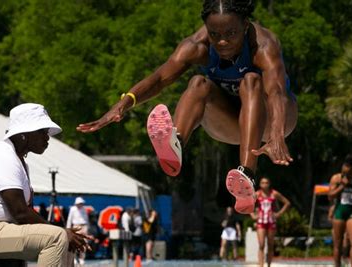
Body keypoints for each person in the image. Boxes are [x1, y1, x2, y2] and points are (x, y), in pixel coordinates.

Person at [77, 0, 298, 214]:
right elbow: (161, 78)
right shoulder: (196, 46)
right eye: (215, 35)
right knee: (197, 83)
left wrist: (277, 134)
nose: (222, 42)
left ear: (245, 25)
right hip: (231, 122)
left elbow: (276, 92)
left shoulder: (263, 45)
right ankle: (176, 144)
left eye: (231, 34)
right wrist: (124, 103)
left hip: (274, 121)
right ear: (207, 30)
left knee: (251, 80)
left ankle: (247, 175)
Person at [0, 103, 91, 266]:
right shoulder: (3, 156)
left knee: (67, 243)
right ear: (23, 134)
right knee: (57, 238)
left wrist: (67, 235)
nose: (47, 137)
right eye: (42, 131)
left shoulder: (18, 160)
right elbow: (20, 213)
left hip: (2, 229)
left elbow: (24, 213)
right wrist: (63, 232)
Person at [328, 156, 352, 267]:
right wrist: (342, 186)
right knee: (338, 244)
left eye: (349, 168)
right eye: (345, 166)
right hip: (339, 212)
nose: (346, 170)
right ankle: (337, 265)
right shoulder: (336, 178)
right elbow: (330, 196)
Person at [250, 177, 290, 267]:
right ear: (260, 184)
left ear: (269, 184)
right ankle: (261, 265)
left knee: (270, 244)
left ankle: (268, 264)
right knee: (261, 244)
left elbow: (287, 202)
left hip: (271, 221)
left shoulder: (274, 193)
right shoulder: (257, 194)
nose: (265, 184)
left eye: (266, 182)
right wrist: (253, 215)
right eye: (263, 183)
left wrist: (279, 214)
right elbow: (247, 203)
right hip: (260, 221)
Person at [67, 196, 91, 266]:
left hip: (84, 226)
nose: (80, 204)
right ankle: (74, 259)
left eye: (81, 203)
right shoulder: (72, 209)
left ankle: (82, 259)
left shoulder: (84, 209)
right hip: (76, 226)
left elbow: (86, 218)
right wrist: (68, 229)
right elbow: (69, 219)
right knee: (75, 243)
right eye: (79, 203)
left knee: (84, 243)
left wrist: (87, 227)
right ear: (76, 203)